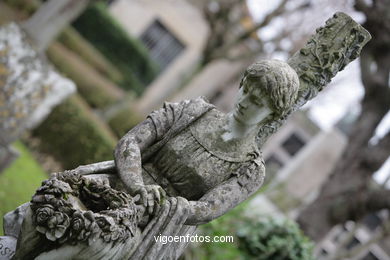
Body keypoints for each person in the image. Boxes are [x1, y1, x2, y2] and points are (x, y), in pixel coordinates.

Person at [115, 59, 299, 225]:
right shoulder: (191, 112)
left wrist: (162, 205)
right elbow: (131, 141)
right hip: (120, 185)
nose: (244, 101)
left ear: (273, 115)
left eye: (256, 102)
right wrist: (137, 186)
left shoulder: (250, 170)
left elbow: (207, 209)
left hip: (156, 225)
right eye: (245, 90)